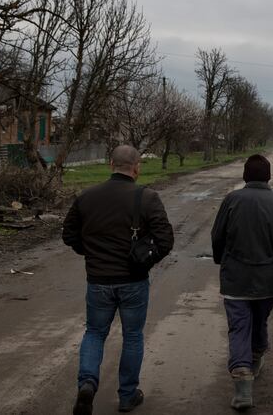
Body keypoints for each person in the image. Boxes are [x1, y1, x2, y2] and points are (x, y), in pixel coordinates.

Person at [63, 145, 174, 415]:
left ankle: (87, 384)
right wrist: (146, 260)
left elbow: (69, 235)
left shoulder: (86, 197)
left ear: (111, 163)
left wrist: (91, 253)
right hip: (133, 281)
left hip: (98, 279)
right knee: (133, 336)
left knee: (95, 332)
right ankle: (127, 396)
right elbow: (166, 240)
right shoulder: (147, 198)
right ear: (137, 167)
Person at [211, 154, 273, 411]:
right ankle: (256, 356)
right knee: (259, 321)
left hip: (236, 280)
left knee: (239, 327)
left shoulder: (232, 200)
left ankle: (242, 382)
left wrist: (221, 260)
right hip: (267, 282)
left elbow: (217, 236)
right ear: (269, 177)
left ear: (245, 176)